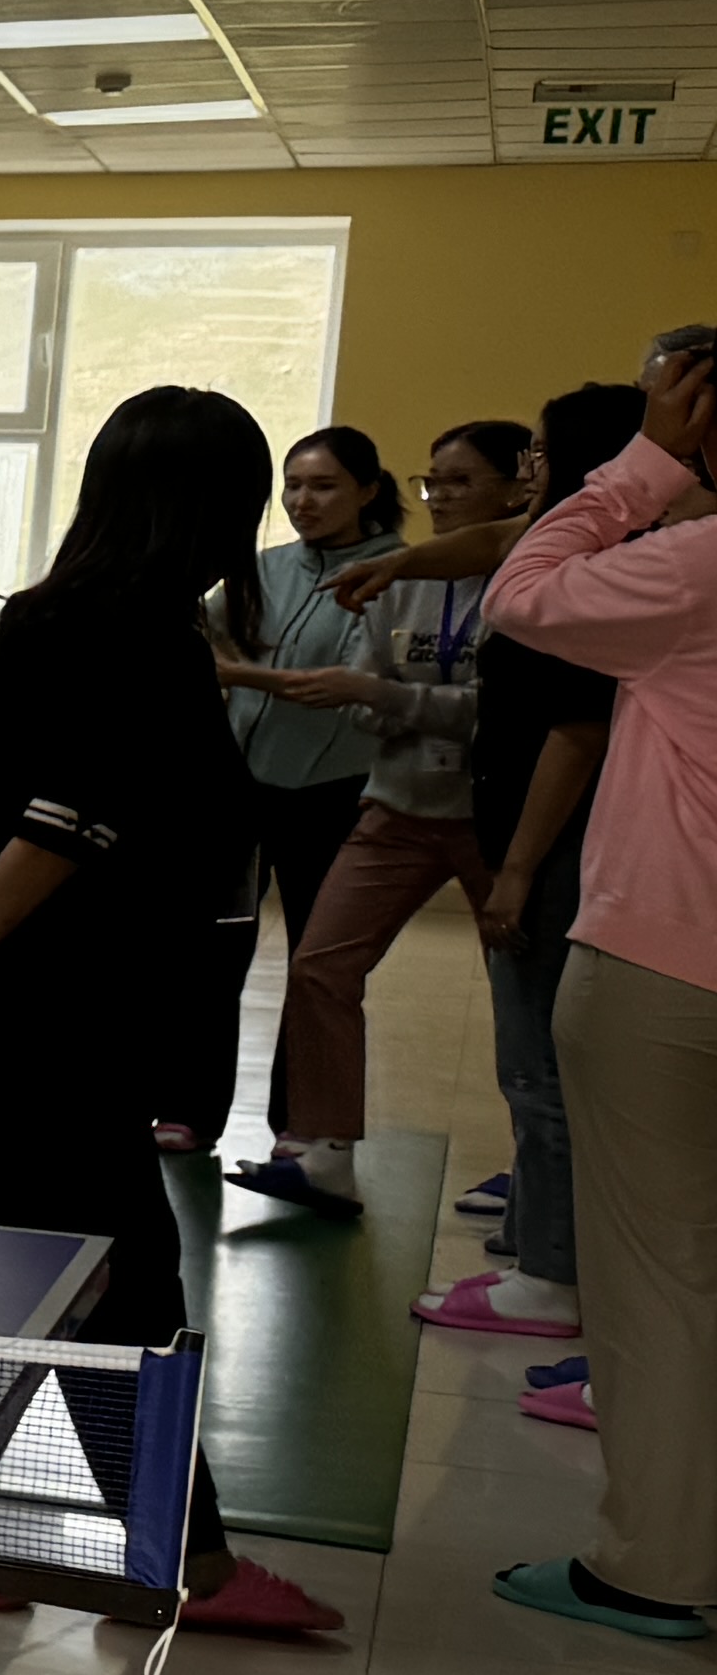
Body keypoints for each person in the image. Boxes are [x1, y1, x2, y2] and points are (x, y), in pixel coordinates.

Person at [0, 394, 342, 1637]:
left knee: (39, 1271)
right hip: (64, 1018)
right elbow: (60, 828)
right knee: (118, 1279)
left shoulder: (33, 623)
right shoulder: (148, 645)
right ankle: (175, 1558)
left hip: (10, 1016)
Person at [480, 338, 717, 1640]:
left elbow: (523, 591)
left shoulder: (693, 566)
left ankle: (657, 1567)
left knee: (661, 1278)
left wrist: (643, 464)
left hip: (669, 965)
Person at [229, 417, 525, 1211]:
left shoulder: (530, 581)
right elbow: (364, 697)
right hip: (396, 804)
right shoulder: (402, 579)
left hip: (494, 817)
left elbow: (505, 714)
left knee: (525, 996)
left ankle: (540, 1173)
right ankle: (323, 1152)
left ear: (517, 489)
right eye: (433, 482)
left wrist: (389, 697)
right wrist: (388, 699)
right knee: (321, 965)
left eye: (460, 482)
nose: (440, 498)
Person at [426, 388, 634, 1354]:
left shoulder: (584, 578)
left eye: (541, 456)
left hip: (552, 853)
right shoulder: (553, 553)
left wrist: (513, 872)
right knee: (530, 1061)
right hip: (533, 842)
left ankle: (551, 1277)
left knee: (538, 1064)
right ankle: (532, 1241)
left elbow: (575, 731)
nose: (528, 474)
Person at [207, 424, 403, 1143]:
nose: (303, 501)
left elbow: (337, 686)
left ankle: (300, 1126)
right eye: (293, 486)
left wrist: (236, 673)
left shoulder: (395, 573)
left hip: (334, 794)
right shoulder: (265, 567)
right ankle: (190, 1110)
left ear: (368, 491)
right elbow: (203, 628)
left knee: (315, 963)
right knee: (213, 949)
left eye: (323, 486)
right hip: (240, 788)